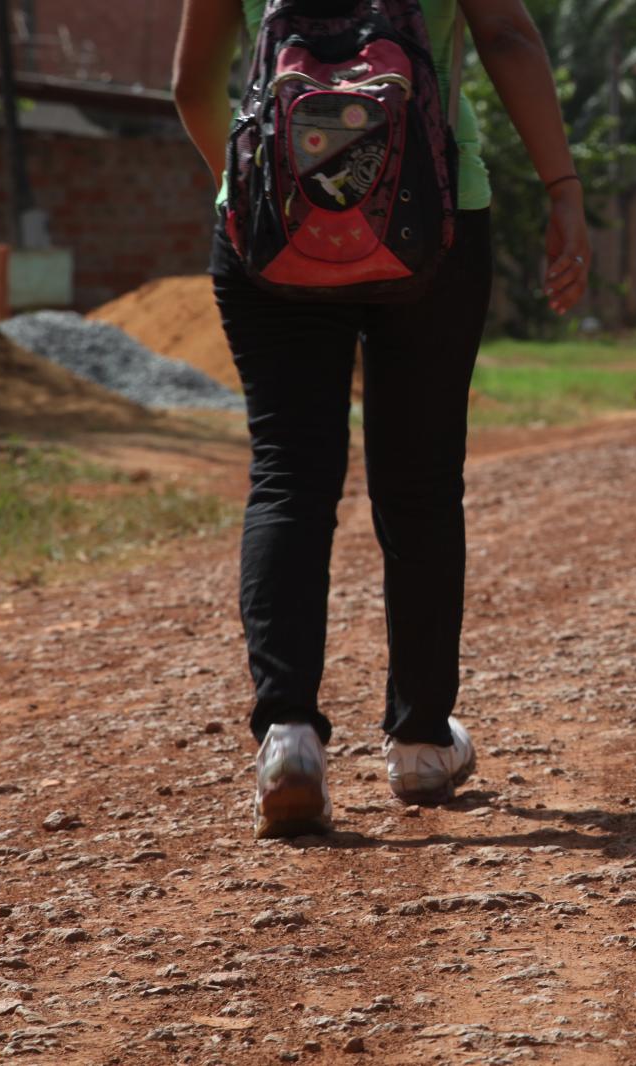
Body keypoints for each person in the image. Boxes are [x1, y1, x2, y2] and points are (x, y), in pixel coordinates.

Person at [172, 0, 590, 838]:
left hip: (271, 223)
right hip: (432, 213)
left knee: (290, 473)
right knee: (421, 481)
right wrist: (562, 190)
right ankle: (421, 741)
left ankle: (289, 738)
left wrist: (272, 179)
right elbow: (506, 36)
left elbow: (189, 86)